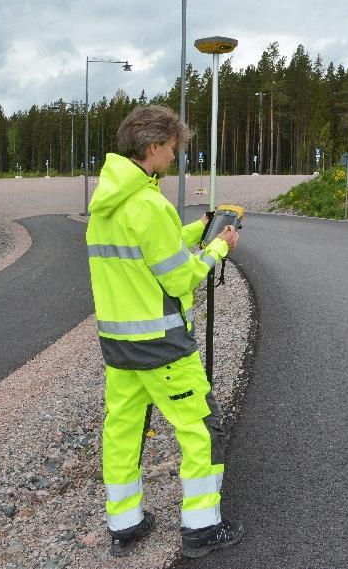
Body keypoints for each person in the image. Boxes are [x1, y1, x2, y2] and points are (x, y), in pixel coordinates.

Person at [86, 104, 243, 558]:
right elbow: (179, 277)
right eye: (173, 149)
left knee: (123, 431)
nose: (175, 157)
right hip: (163, 347)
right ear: (153, 147)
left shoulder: (108, 202)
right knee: (201, 428)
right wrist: (218, 247)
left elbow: (152, 244)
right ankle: (200, 526)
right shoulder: (149, 205)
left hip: (118, 346)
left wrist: (198, 227)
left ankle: (125, 522)